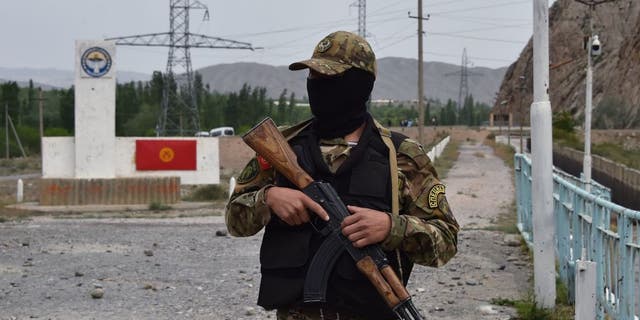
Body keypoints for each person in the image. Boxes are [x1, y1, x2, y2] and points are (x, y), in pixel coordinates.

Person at [225, 30, 459, 320]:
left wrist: (391, 227)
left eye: (330, 79)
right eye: (313, 79)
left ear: (359, 85)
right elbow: (234, 220)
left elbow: (446, 240)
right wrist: (268, 198)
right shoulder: (281, 147)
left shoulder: (401, 156)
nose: (318, 87)